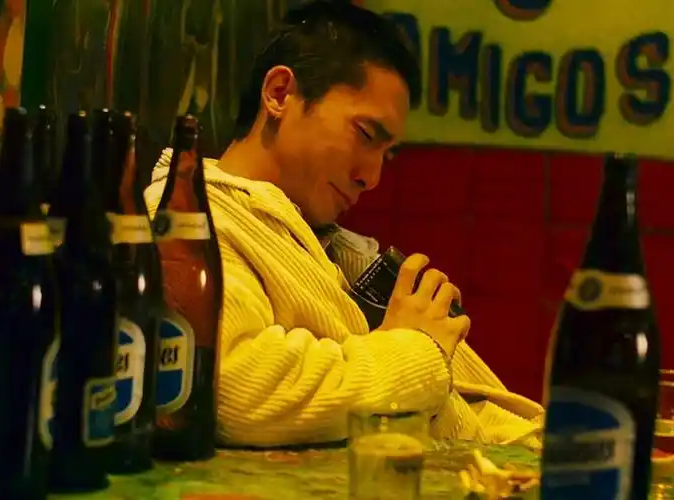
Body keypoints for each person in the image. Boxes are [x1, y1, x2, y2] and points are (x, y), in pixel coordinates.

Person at [145, 0, 544, 449]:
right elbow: (234, 389)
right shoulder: (190, 228)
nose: (372, 177)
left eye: (386, 154)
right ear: (279, 93)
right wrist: (414, 348)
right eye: (366, 135)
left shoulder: (323, 243)